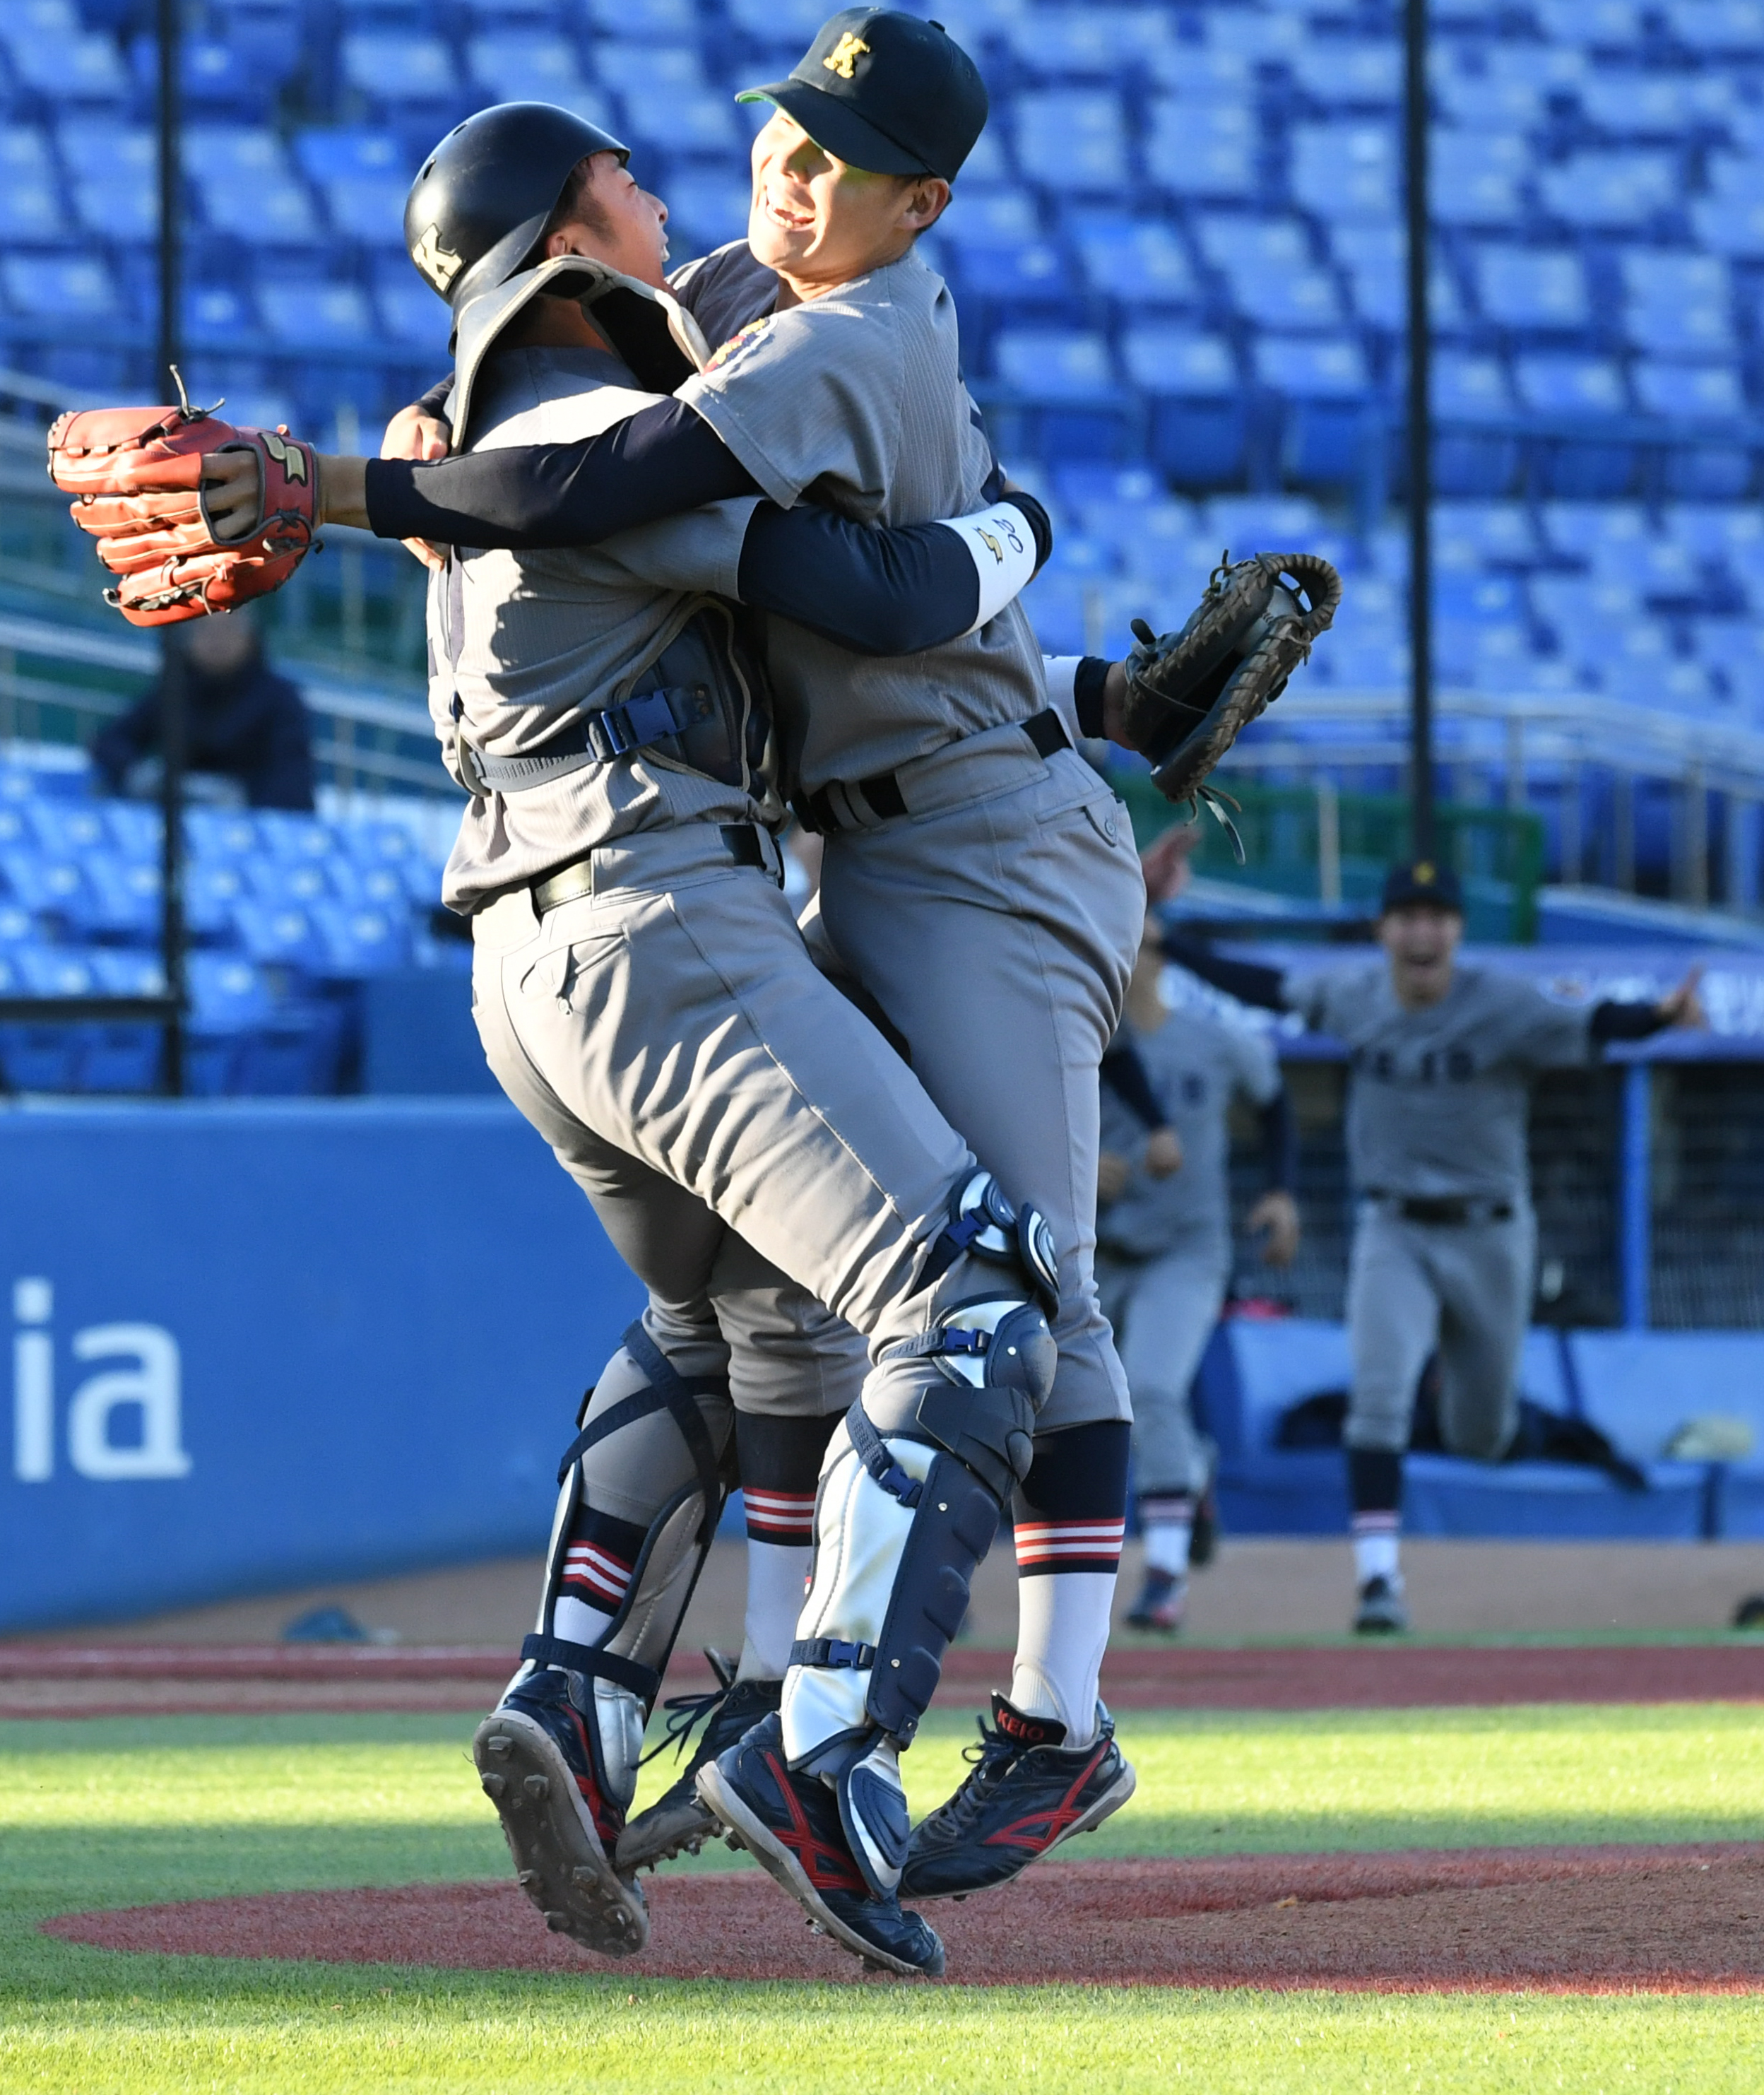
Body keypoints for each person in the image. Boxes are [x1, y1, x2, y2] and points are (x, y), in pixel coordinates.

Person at [85, 95, 1077, 1977]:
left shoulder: (475, 415)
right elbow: (878, 593)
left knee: (727, 1327)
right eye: (624, 172)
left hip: (527, 952)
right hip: (656, 914)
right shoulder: (574, 426)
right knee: (972, 1287)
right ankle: (820, 1744)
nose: (663, 191)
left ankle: (573, 1687)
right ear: (562, 227)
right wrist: (1019, 524)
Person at [1171, 859, 1702, 1635]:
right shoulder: (1355, 993)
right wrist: (1175, 948)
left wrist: (1658, 1018)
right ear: (1384, 929)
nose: (1422, 931)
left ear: (1455, 930)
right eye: (1406, 916)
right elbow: (1266, 987)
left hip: (1489, 1234)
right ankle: (1378, 1583)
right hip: (1394, 1228)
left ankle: (1489, 1414)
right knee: (1378, 1395)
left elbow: (1592, 1025)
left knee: (1477, 1434)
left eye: (1436, 916)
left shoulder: (1498, 1002)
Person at [1096, 881, 1299, 1635]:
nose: (1134, 958)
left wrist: (1282, 1190)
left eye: (1147, 943)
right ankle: (1194, 1471)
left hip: (1186, 1249)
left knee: (1151, 1390)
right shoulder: (1081, 1036)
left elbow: (1276, 1098)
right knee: (1082, 1413)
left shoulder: (1212, 1038)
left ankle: (1166, 1575)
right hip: (1096, 1247)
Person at [85, 614, 318, 812]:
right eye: (205, 630)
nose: (217, 640)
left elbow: (294, 782)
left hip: (250, 827)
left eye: (228, 629)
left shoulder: (279, 698)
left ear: (250, 637)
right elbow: (110, 741)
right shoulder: (175, 689)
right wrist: (139, 774)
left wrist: (241, 796)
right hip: (176, 821)